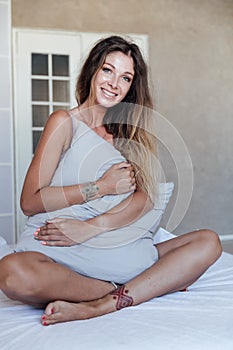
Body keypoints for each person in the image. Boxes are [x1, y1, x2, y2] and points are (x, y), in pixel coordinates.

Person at [0, 36, 222, 325]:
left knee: (208, 241)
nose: (114, 83)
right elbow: (30, 201)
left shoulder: (130, 135)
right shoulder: (65, 123)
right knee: (12, 272)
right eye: (108, 70)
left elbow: (144, 199)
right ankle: (133, 288)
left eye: (125, 77)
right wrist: (100, 188)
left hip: (120, 245)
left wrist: (91, 228)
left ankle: (100, 305)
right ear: (93, 70)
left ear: (131, 87)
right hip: (63, 253)